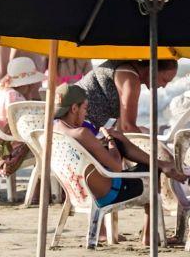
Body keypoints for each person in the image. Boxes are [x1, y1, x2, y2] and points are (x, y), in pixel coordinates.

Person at [54, 84, 187, 243]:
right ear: (74, 108)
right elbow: (116, 166)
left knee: (120, 141)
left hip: (79, 192)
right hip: (109, 193)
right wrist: (110, 140)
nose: (86, 112)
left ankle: (162, 165)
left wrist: (112, 141)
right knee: (152, 170)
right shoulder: (82, 133)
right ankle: (149, 234)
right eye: (84, 108)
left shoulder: (55, 132)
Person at [0, 57, 44, 176]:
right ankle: (39, 186)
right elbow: (23, 126)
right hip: (3, 148)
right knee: (41, 141)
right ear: (29, 84)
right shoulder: (15, 97)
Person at [76, 59, 179, 132]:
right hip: (75, 123)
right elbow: (127, 127)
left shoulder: (128, 67)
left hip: (76, 123)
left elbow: (122, 127)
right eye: (164, 80)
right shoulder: (130, 78)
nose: (164, 86)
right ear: (151, 69)